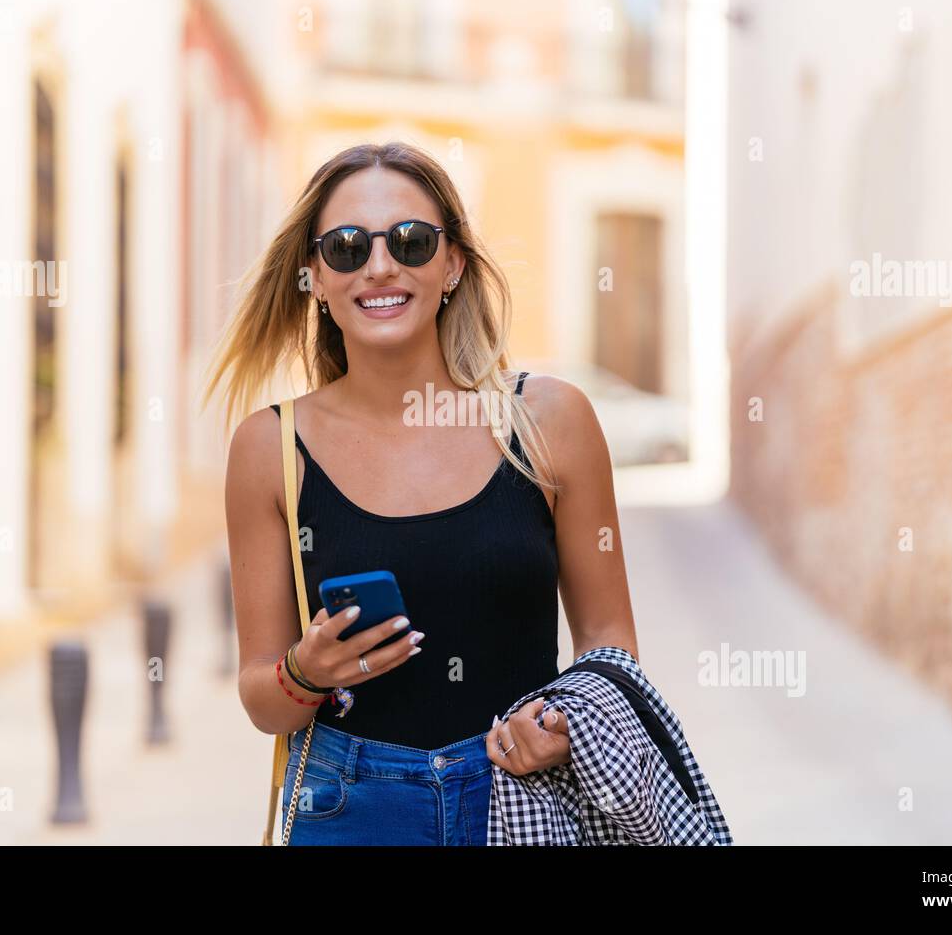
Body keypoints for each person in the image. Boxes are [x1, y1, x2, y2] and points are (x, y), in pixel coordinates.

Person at [204, 141, 640, 844]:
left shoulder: (548, 421)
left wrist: (565, 725)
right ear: (313, 276)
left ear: (453, 263)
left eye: (411, 240)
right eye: (346, 247)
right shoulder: (269, 449)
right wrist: (306, 671)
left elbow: (609, 641)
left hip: (524, 800)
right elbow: (262, 697)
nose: (380, 265)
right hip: (348, 809)